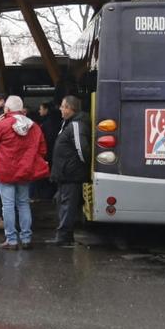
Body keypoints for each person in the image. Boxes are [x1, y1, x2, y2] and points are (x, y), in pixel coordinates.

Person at [0, 95, 48, 250]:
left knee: (8, 205)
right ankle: (26, 238)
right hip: (25, 171)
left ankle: (11, 240)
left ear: (7, 109)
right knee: (23, 203)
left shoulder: (3, 124)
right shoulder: (34, 126)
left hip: (5, 171)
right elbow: (42, 149)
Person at [51, 95, 91, 246]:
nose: (60, 109)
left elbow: (82, 149)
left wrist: (77, 166)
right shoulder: (69, 124)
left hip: (70, 174)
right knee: (63, 203)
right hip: (66, 174)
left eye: (63, 106)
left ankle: (64, 237)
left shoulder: (76, 125)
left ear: (70, 108)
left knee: (67, 206)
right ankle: (64, 236)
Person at [34, 101, 62, 200]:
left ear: (46, 110)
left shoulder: (48, 123)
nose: (39, 111)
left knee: (47, 176)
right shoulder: (54, 121)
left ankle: (47, 196)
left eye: (40, 109)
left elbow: (48, 140)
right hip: (52, 153)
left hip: (48, 154)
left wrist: (44, 154)